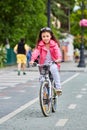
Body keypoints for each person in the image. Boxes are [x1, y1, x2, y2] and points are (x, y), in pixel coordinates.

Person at [30, 27, 62, 96]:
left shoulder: (54, 44)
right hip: (43, 64)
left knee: (54, 70)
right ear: (41, 37)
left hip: (52, 63)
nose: (45, 38)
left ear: (51, 36)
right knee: (42, 79)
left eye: (47, 36)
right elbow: (36, 52)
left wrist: (59, 58)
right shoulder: (40, 45)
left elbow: (57, 52)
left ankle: (58, 88)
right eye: (43, 36)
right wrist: (32, 60)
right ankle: (45, 94)